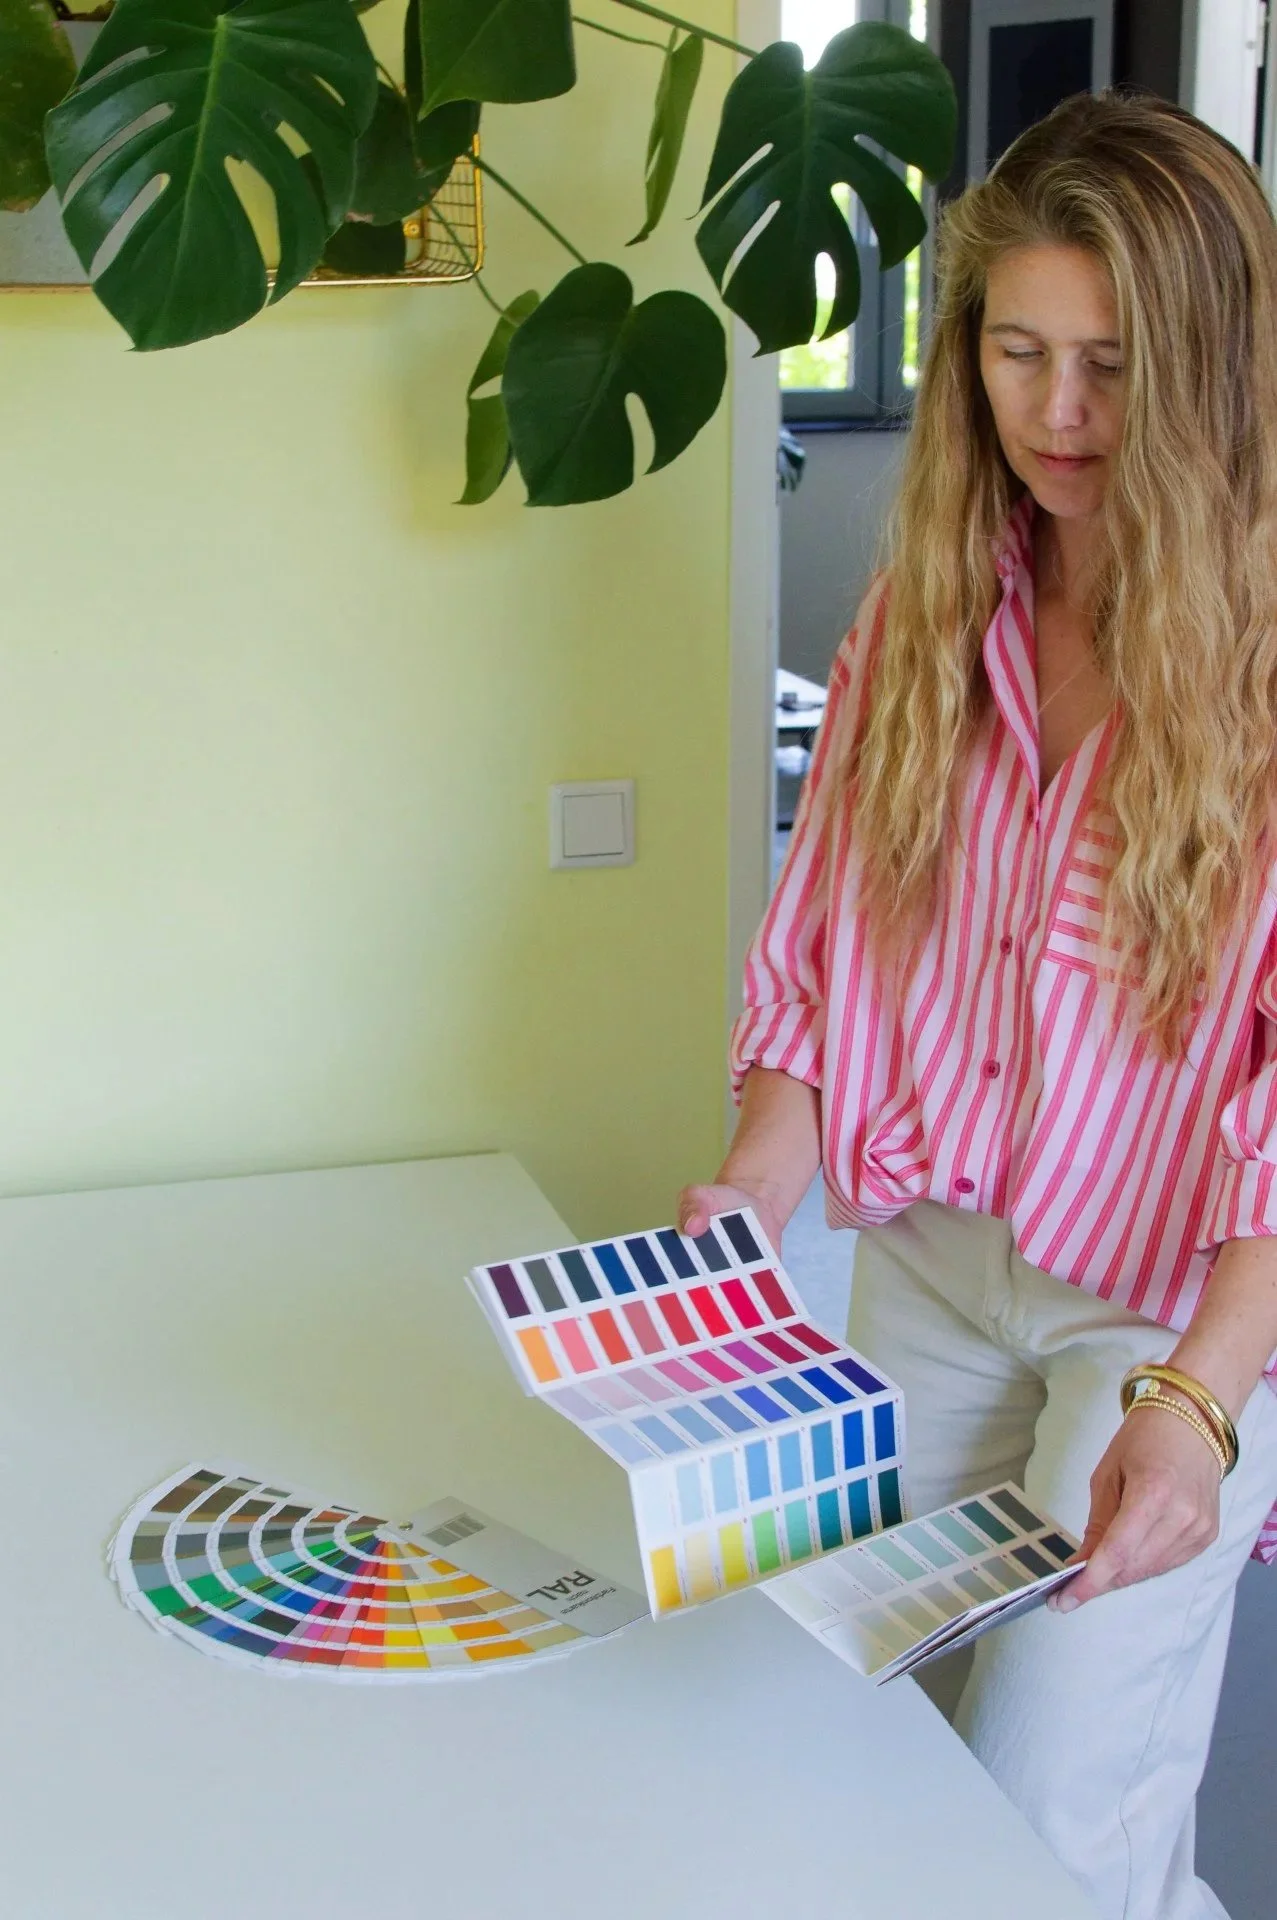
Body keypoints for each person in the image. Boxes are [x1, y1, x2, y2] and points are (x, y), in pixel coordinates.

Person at [678, 91, 1277, 1920]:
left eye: (1113, 365)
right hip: (935, 1269)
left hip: (1167, 1316)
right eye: (1018, 352)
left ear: (1211, 371)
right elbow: (834, 951)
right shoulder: (935, 613)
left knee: (1048, 1815)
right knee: (878, 1755)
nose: (1058, 413)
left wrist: (1203, 1405)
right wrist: (753, 1191)